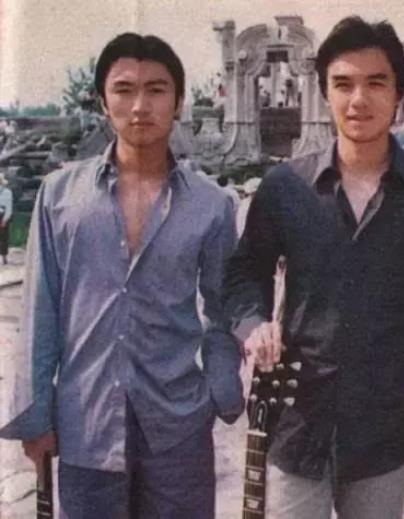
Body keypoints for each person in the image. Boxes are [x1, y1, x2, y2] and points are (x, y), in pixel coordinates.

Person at [0, 33, 243, 518]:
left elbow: (224, 309)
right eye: (124, 89)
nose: (139, 106)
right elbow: (40, 312)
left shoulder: (211, 204)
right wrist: (35, 414)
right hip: (86, 423)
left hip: (178, 425)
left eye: (156, 90)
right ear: (102, 101)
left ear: (178, 101)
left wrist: (219, 391)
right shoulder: (60, 196)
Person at [224, 16, 404, 519]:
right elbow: (244, 273)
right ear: (324, 92)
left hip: (387, 426)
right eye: (343, 84)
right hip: (297, 415)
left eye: (376, 83)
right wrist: (254, 325)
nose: (358, 99)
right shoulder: (286, 187)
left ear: (400, 93)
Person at [0, 173, 13, 264]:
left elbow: (9, 207)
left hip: (2, 214)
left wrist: (5, 219)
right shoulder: (8, 192)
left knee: (3, 237)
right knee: (3, 237)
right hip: (3, 214)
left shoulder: (7, 192)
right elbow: (9, 207)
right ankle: (4, 257)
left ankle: (4, 257)